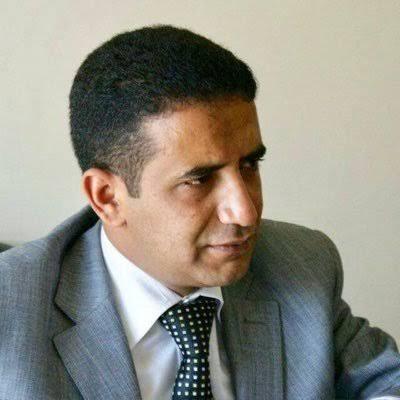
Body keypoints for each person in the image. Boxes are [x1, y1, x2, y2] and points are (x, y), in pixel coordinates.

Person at [0, 25, 399, 400]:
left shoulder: (300, 264)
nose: (245, 212)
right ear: (107, 198)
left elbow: (385, 381)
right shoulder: (10, 312)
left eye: (249, 165)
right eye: (199, 180)